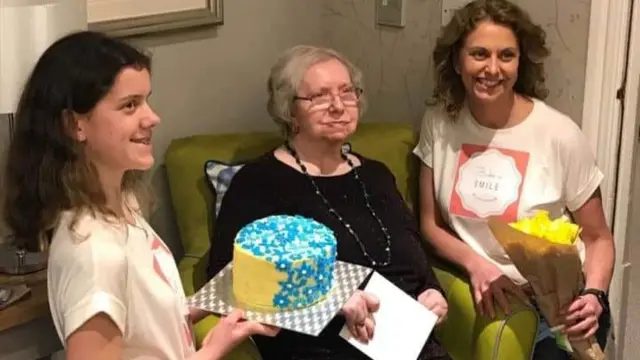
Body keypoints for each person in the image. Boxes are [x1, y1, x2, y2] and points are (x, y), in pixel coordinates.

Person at [1, 30, 278, 360]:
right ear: (75, 125)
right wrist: (213, 349)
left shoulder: (123, 206)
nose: (153, 117)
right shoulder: (93, 253)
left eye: (146, 100)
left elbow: (141, 328)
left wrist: (206, 303)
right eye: (129, 105)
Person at [206, 44, 451, 360]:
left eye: (348, 92)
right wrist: (326, 303)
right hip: (322, 349)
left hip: (413, 346)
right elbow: (227, 282)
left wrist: (433, 293)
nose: (338, 105)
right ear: (288, 109)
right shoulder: (258, 182)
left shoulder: (377, 175)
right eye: (319, 96)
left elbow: (412, 254)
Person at [414, 1, 615, 359]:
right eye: (479, 54)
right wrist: (477, 265)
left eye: (506, 55)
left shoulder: (559, 134)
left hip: (564, 307)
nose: (492, 68)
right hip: (498, 300)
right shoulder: (440, 123)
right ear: (457, 61)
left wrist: (594, 295)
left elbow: (599, 238)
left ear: (521, 63)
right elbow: (430, 225)